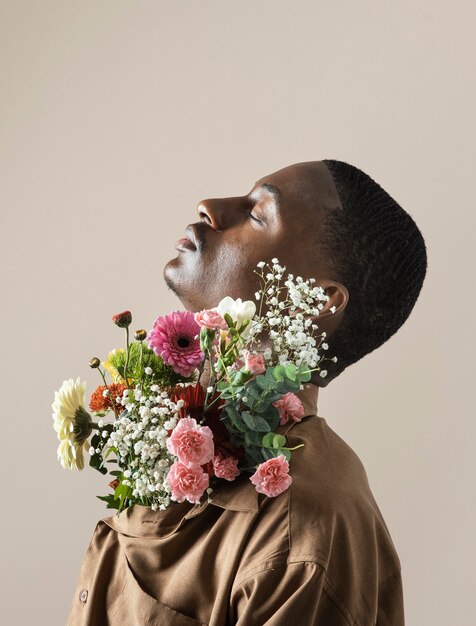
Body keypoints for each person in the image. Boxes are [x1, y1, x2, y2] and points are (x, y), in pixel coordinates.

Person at [66, 159, 427, 625]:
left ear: (317, 300)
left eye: (258, 213)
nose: (210, 207)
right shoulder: (172, 430)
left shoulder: (303, 534)